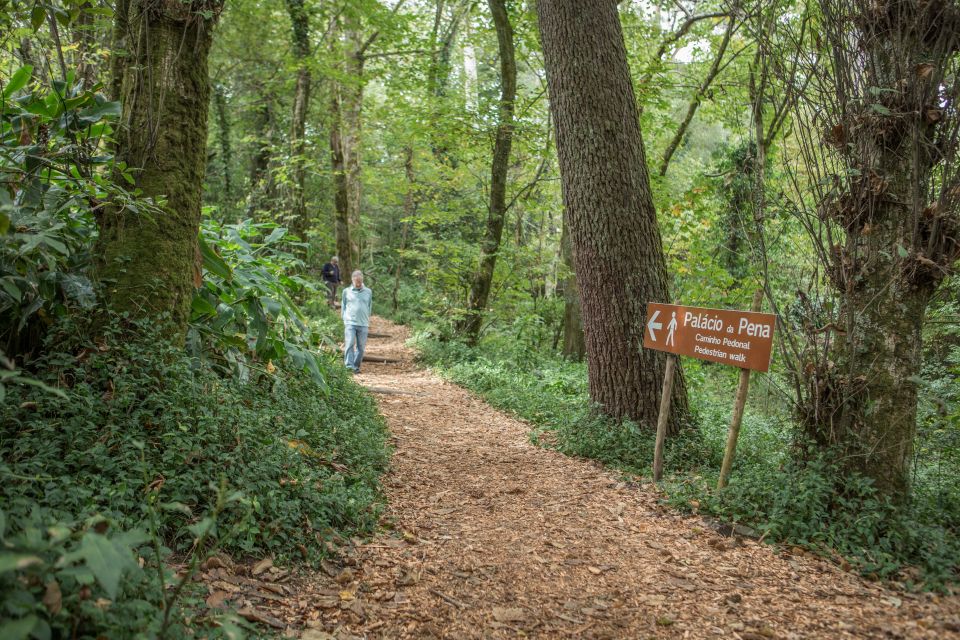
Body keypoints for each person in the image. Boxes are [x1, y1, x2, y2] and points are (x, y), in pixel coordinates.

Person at [341, 270, 372, 373]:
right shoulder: (346, 291)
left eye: (360, 281)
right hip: (350, 323)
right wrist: (344, 319)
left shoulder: (368, 291)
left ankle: (355, 366)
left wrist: (367, 318)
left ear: (362, 279)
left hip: (363, 324)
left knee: (361, 348)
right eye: (356, 281)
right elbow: (343, 306)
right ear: (352, 280)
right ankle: (349, 367)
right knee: (349, 344)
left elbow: (369, 306)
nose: (358, 283)